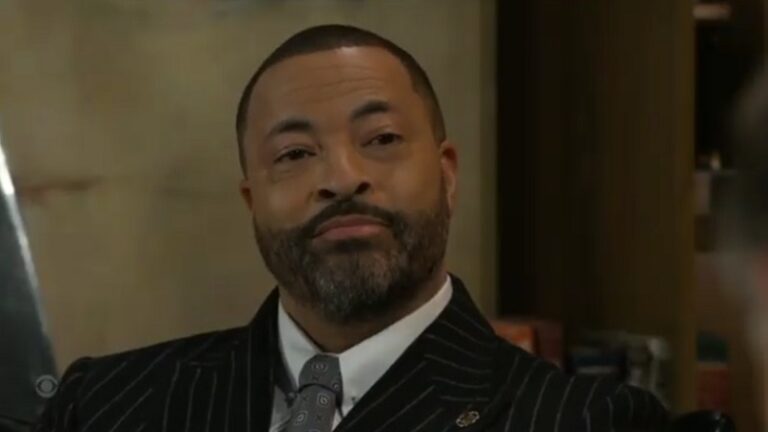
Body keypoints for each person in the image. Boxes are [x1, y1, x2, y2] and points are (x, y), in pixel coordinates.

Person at [34, 25, 667, 432]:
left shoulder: (587, 421)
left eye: (381, 139)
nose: (341, 178)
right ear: (252, 201)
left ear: (447, 174)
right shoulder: (104, 405)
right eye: (294, 153)